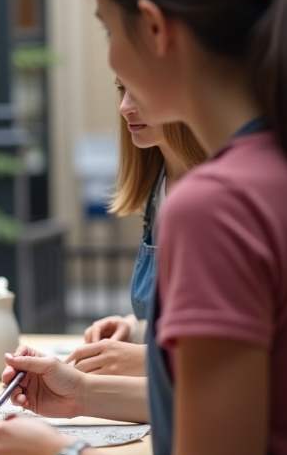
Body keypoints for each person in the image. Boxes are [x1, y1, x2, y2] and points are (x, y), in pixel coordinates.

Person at [0, 0, 287, 455]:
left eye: (106, 25)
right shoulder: (277, 173)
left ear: (153, 27)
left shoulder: (215, 205)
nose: (110, 55)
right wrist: (84, 397)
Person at [67, 82, 205, 377]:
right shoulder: (158, 187)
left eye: (142, 86)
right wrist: (134, 327)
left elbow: (219, 366)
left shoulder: (220, 198)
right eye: (120, 87)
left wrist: (144, 360)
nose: (124, 106)